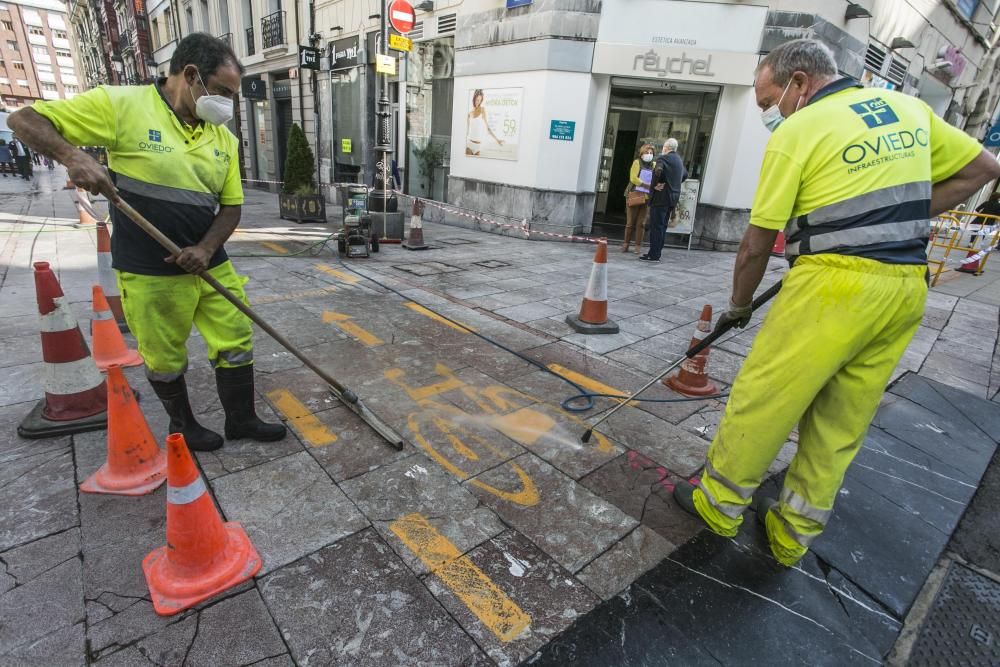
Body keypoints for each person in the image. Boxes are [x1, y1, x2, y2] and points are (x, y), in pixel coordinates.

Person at [671, 38, 1000, 566]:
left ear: (798, 83)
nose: (766, 113)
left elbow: (758, 240)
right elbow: (984, 168)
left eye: (766, 100)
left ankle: (720, 503)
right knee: (843, 418)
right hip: (905, 287)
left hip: (832, 287)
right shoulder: (910, 109)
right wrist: (896, 220)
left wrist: (738, 304)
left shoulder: (800, 129)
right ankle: (790, 533)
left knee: (767, 397)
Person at [9, 32, 286, 452]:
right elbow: (23, 120)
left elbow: (230, 207)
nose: (228, 104)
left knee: (235, 338)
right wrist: (74, 156)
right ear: (191, 76)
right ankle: (185, 426)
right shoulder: (121, 105)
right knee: (164, 355)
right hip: (148, 266)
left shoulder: (222, 139)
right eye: (224, 92)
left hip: (210, 262)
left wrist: (206, 250)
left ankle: (241, 419)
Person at [640, 138, 687, 262]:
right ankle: (656, 252)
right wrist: (672, 184)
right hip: (673, 198)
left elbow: (658, 171)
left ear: (666, 148)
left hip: (661, 198)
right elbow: (685, 175)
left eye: (664, 147)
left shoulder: (663, 158)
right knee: (663, 226)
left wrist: (655, 185)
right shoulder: (679, 160)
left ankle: (653, 255)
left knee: (656, 226)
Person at [623, 143, 655, 254]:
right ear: (641, 154)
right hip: (635, 194)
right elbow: (633, 178)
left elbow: (656, 178)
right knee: (630, 222)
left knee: (641, 223)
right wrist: (645, 184)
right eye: (647, 152)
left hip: (647, 197)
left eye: (651, 153)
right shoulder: (637, 162)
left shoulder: (654, 165)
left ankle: (637, 246)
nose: (649, 155)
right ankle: (625, 244)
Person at [465, 89, 504, 156]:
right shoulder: (469, 113)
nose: (478, 102)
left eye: (480, 100)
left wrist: (497, 140)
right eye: (477, 100)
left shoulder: (482, 110)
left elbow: (488, 128)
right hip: (469, 145)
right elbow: (466, 130)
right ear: (474, 98)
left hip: (478, 146)